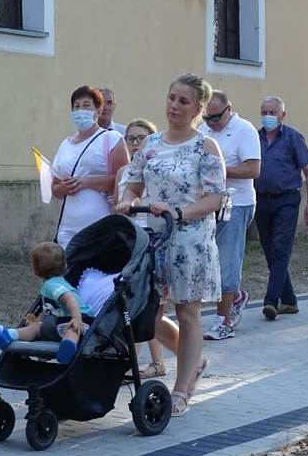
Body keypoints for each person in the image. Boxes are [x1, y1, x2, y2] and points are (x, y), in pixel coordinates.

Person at [116, 73, 228, 416]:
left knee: (187, 312)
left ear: (197, 108)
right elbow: (132, 184)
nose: (174, 106)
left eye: (183, 101)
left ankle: (181, 389)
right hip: (152, 239)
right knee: (146, 311)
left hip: (189, 241)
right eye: (171, 98)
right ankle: (193, 362)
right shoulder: (150, 145)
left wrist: (178, 212)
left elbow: (214, 199)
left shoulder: (205, 146)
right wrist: (125, 201)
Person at [112, 119, 180, 378]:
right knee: (135, 308)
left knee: (150, 309)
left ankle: (167, 360)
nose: (135, 143)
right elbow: (117, 206)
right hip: (129, 242)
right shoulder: (123, 172)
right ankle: (142, 360)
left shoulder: (157, 170)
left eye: (141, 138)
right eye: (130, 138)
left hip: (152, 240)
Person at [199, 90, 261, 339]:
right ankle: (236, 296)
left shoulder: (244, 130)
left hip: (236, 203)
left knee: (227, 260)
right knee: (208, 261)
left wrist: (218, 170)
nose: (211, 123)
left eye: (215, 117)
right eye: (207, 118)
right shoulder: (203, 131)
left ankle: (223, 320)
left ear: (229, 109)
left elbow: (253, 168)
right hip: (207, 204)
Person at [254, 96, 308, 320]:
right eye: (264, 112)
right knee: (270, 250)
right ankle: (289, 300)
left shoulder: (292, 137)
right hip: (261, 199)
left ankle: (271, 301)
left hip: (287, 200)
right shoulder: (255, 137)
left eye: (272, 113)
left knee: (280, 248)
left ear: (282, 115)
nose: (268, 117)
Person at [0, 242, 96, 364]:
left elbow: (70, 298)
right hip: (57, 324)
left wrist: (76, 318)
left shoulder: (53, 285)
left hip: (78, 321)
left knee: (72, 331)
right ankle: (8, 335)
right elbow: (48, 309)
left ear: (35, 270)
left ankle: (67, 347)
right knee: (35, 327)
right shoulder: (51, 285)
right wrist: (38, 320)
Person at [52, 86, 129, 248]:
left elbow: (124, 180)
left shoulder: (112, 138)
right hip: (68, 227)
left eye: (86, 105)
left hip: (100, 224)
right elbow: (55, 188)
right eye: (76, 106)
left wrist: (86, 182)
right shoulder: (65, 145)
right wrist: (63, 188)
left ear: (98, 111)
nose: (81, 110)